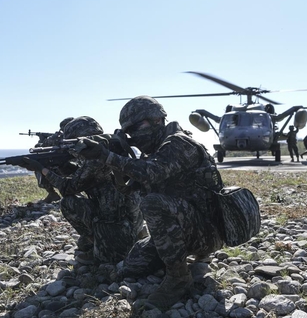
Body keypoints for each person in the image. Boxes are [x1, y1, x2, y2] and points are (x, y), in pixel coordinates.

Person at [72, 96, 225, 309]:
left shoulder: (179, 143)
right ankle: (177, 257)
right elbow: (127, 188)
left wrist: (107, 156)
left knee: (152, 203)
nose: (133, 135)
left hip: (207, 234)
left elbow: (149, 173)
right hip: (184, 230)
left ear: (156, 120)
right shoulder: (156, 151)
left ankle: (179, 277)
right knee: (132, 265)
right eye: (128, 131)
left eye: (135, 127)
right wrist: (117, 158)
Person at [21, 116, 144, 263]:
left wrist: (42, 169)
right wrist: (60, 166)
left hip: (117, 224)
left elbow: (69, 188)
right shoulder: (109, 147)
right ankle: (124, 238)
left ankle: (99, 244)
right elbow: (84, 177)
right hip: (131, 218)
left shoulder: (95, 158)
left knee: (69, 203)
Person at [33, 117, 75, 203]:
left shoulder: (59, 136)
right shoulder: (82, 136)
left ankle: (52, 193)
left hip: (66, 167)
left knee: (40, 166)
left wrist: (42, 138)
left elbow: (39, 146)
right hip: (79, 168)